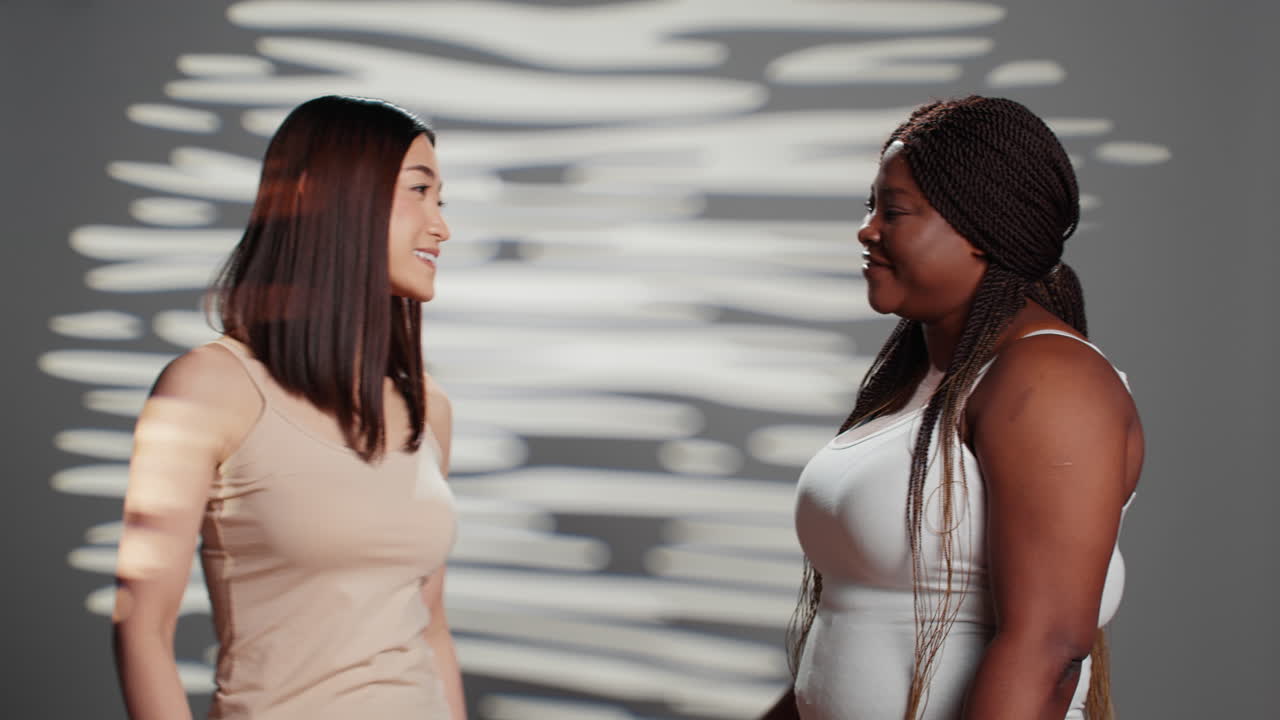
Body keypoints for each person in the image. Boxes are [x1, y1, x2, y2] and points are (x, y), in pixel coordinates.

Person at [762, 96, 1144, 720]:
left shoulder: (1050, 379)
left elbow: (1048, 651)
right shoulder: (920, 379)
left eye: (895, 210)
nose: (867, 228)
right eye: (870, 205)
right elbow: (856, 623)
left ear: (981, 231)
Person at [111, 95, 464, 719]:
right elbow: (142, 627)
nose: (442, 226)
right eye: (419, 191)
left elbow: (429, 625)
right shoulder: (208, 388)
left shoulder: (426, 408)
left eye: (442, 201)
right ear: (321, 196)